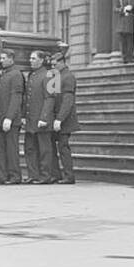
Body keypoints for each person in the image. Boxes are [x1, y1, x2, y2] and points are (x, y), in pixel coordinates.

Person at [0, 50, 24, 184]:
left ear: (11, 59)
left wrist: (9, 117)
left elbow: (16, 97)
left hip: (10, 119)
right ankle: (2, 175)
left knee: (11, 149)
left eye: (4, 58)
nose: (1, 60)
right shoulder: (4, 74)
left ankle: (14, 176)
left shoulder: (16, 74)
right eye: (1, 57)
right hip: (0, 117)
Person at [23, 51, 54, 184]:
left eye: (34, 58)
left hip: (42, 119)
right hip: (31, 119)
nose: (31, 61)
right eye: (30, 58)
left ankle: (46, 175)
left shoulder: (50, 74)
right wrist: (24, 115)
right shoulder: (32, 75)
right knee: (30, 148)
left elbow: (50, 98)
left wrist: (44, 117)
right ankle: (33, 174)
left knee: (44, 149)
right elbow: (27, 98)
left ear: (41, 60)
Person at [48, 50, 78, 184]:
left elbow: (67, 101)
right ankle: (56, 174)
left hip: (64, 119)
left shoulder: (68, 77)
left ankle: (69, 175)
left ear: (62, 62)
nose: (53, 67)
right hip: (55, 118)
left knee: (63, 148)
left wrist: (60, 119)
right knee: (53, 147)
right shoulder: (57, 76)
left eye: (55, 64)